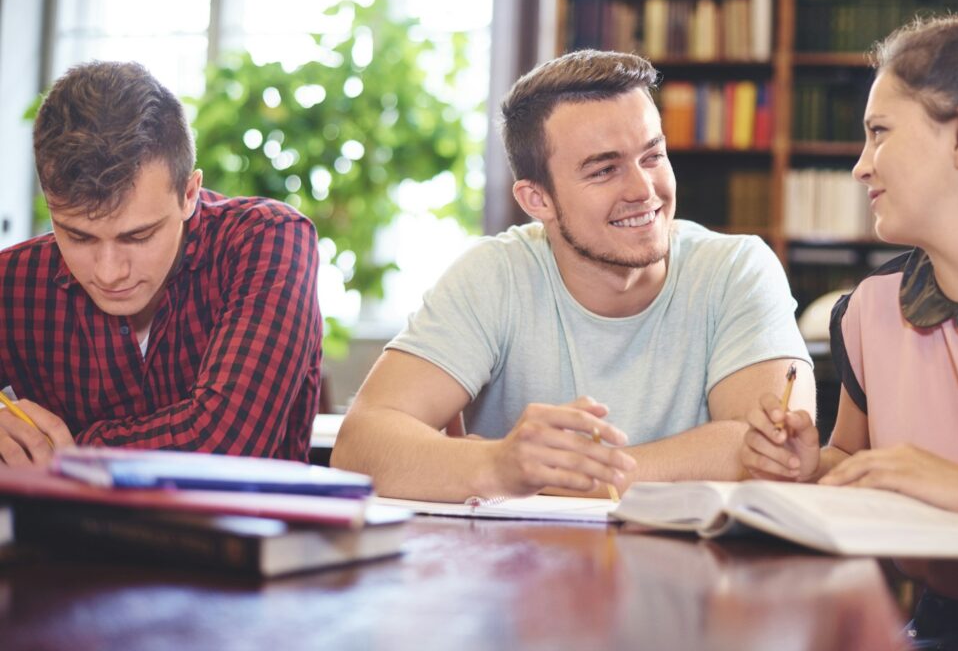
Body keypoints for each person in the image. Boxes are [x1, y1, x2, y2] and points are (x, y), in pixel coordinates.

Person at [333, 49, 813, 501]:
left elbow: (764, 450)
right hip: (524, 572)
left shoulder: (737, 269)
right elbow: (361, 446)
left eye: (652, 156)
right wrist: (500, 465)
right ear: (536, 200)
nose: (644, 190)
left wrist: (559, 478)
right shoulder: (493, 275)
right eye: (604, 170)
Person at [741, 14, 958, 647]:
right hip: (939, 629)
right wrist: (807, 466)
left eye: (879, 134)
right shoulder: (870, 311)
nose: (860, 168)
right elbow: (853, 459)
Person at [0, 61, 323, 466]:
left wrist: (67, 453)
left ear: (189, 193)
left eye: (137, 236)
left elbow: (223, 445)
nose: (108, 272)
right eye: (78, 236)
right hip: (51, 533)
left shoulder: (269, 241)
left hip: (238, 530)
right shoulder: (13, 281)